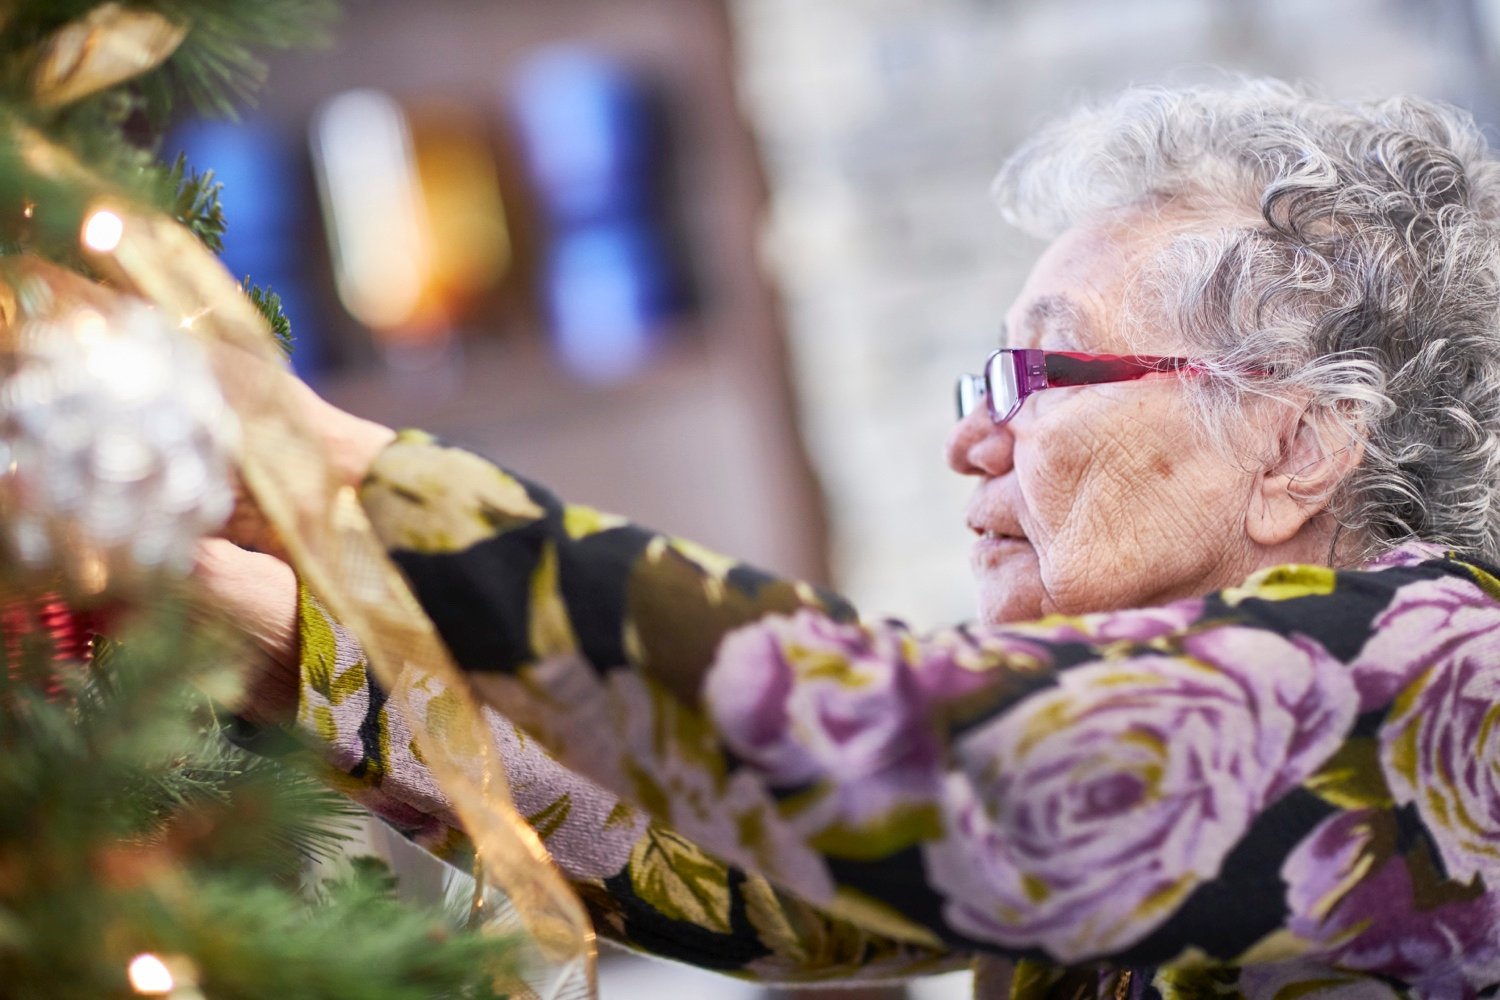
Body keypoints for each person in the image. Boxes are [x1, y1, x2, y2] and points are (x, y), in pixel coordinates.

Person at [202, 79, 1500, 998]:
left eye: (1033, 377)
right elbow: (758, 864)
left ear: (1296, 443)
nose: (971, 443)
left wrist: (320, 457)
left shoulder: (1452, 673)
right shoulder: (1140, 754)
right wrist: (259, 631)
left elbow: (874, 749)